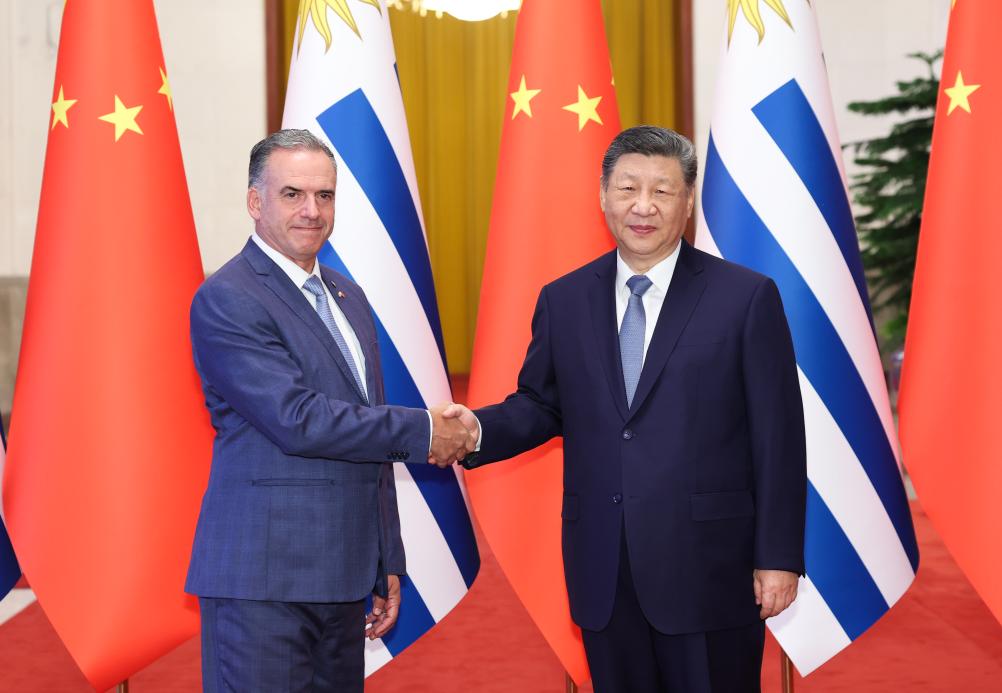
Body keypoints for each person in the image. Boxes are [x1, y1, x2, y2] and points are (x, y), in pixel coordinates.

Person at [440, 126, 807, 692]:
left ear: (687, 202)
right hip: (604, 567)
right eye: (628, 187)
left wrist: (778, 556)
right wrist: (477, 430)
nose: (643, 206)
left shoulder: (745, 297)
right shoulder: (564, 299)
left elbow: (778, 438)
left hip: (709, 568)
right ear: (603, 195)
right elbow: (541, 404)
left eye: (662, 191)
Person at [185, 128, 473, 692]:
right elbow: (298, 419)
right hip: (262, 582)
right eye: (292, 193)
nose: (311, 210)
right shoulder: (228, 298)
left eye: (325, 195)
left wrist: (386, 555)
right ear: (255, 202)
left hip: (341, 578)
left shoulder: (347, 296)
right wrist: (425, 430)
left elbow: (366, 433)